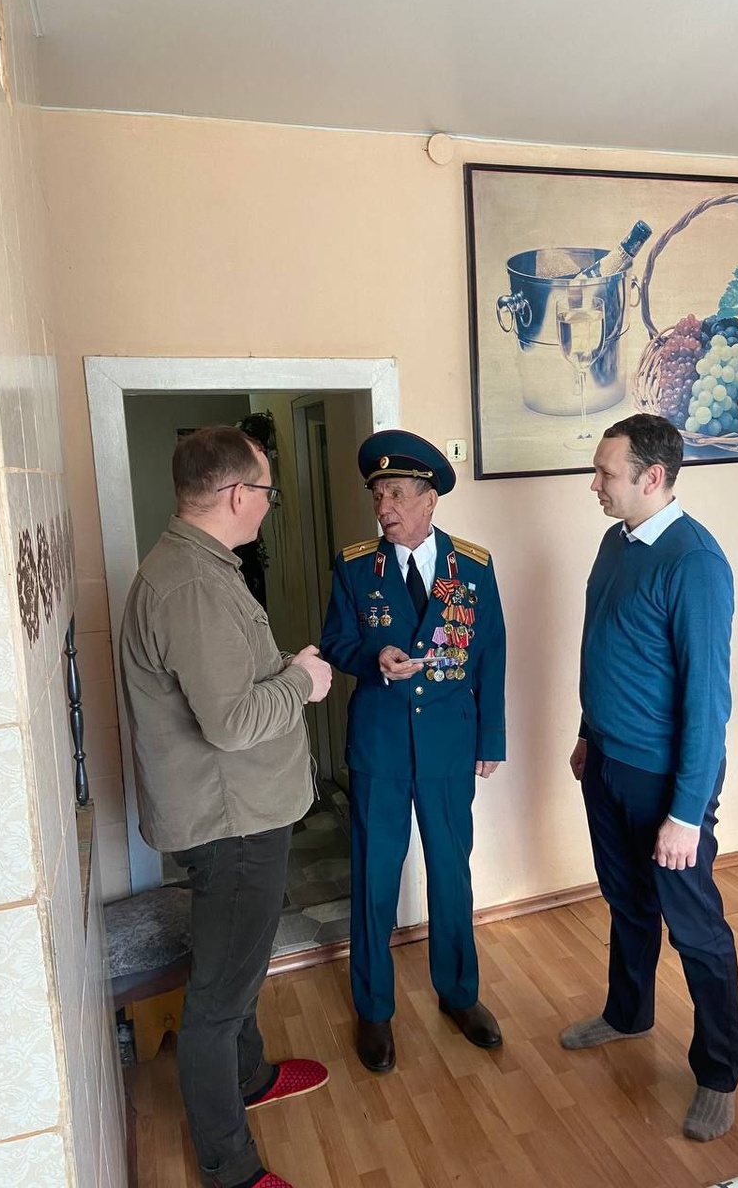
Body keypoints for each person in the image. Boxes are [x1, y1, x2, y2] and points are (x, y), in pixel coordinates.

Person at [120, 426, 333, 1188]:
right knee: (216, 998)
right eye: (267, 491)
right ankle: (229, 1167)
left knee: (238, 967)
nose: (270, 505)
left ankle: (251, 1076)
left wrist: (284, 665)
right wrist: (303, 683)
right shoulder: (190, 586)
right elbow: (233, 721)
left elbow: (231, 682)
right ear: (239, 494)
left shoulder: (202, 566)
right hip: (231, 823)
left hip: (238, 811)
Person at [562, 413, 738, 1143]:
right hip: (608, 762)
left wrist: (687, 813)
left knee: (695, 929)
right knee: (627, 902)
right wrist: (587, 733)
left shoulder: (694, 564)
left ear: (653, 477)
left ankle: (719, 1074)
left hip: (666, 783)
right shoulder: (618, 541)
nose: (595, 485)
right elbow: (604, 644)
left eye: (606, 473)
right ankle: (628, 1013)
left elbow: (708, 702)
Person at [321, 429, 506, 1073]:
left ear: (430, 498)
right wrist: (374, 657)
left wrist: (491, 738)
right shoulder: (354, 567)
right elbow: (335, 642)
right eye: (378, 494)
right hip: (380, 748)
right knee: (375, 877)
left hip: (450, 745)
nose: (385, 507)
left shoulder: (473, 567)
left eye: (397, 493)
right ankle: (374, 1009)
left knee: (451, 872)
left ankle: (460, 994)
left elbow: (491, 653)